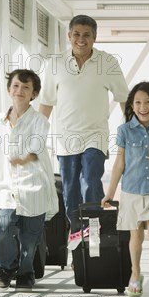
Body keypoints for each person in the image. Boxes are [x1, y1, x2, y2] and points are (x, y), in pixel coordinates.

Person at [38, 14, 129, 237]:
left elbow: (123, 97)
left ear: (94, 38)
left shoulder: (107, 62)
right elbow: (46, 102)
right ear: (69, 36)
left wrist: (132, 131)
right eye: (76, 34)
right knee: (70, 190)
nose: (81, 39)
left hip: (95, 136)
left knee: (90, 179)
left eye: (87, 35)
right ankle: (77, 233)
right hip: (65, 140)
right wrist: (37, 136)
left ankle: (93, 227)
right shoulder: (56, 63)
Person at [0, 69, 58, 291]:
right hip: (6, 185)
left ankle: (26, 271)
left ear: (34, 94)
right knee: (5, 227)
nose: (20, 91)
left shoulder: (40, 121)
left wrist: (23, 158)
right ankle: (6, 268)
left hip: (33, 185)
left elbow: (36, 149)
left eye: (26, 88)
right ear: (9, 89)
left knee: (30, 237)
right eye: (16, 86)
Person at [101, 82, 149, 297]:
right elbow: (119, 163)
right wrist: (110, 193)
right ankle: (135, 274)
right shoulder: (124, 130)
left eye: (148, 102)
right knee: (136, 238)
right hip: (131, 191)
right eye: (138, 102)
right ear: (132, 106)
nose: (143, 107)